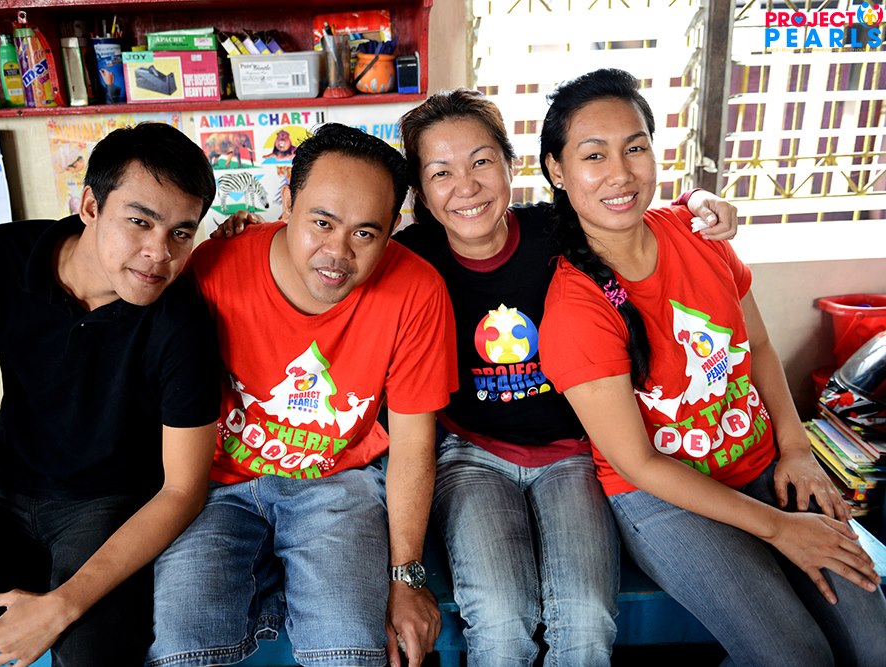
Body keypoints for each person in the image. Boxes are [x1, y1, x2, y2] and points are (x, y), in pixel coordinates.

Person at [539, 68, 886, 666]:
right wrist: (779, 528)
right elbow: (640, 463)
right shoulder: (575, 310)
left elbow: (759, 348)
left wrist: (797, 449)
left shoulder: (698, 235)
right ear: (557, 171)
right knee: (795, 657)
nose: (620, 173)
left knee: (875, 643)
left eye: (635, 148)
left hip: (764, 464)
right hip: (664, 499)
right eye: (594, 155)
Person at [392, 89, 738, 666]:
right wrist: (242, 232)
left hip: (574, 453)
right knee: (500, 618)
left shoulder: (560, 231)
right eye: (441, 173)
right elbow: (333, 254)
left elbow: (631, 209)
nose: (466, 186)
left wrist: (701, 200)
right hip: (472, 454)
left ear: (512, 165)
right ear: (421, 193)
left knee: (585, 616)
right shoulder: (410, 260)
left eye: (482, 161)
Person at [0, 122, 222, 666]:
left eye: (181, 233)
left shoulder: (183, 319)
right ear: (90, 205)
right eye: (140, 222)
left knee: (93, 657)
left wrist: (62, 606)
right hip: (0, 493)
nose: (159, 253)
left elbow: (183, 489)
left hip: (111, 508)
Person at [148, 123, 458, 667]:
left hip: (339, 483)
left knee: (349, 648)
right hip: (215, 485)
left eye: (366, 233)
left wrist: (406, 576)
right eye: (322, 222)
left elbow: (413, 444)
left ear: (393, 228)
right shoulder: (216, 267)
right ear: (287, 202)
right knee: (181, 647)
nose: (337, 252)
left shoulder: (417, 289)